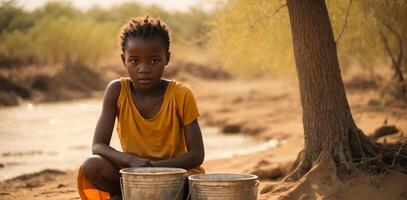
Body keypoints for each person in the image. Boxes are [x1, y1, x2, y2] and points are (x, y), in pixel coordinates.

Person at [77, 15, 205, 200]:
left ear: (166, 58)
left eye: (153, 61)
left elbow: (196, 155)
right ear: (124, 60)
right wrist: (130, 161)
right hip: (132, 172)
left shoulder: (181, 94)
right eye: (134, 61)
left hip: (175, 175)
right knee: (92, 166)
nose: (143, 69)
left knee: (191, 186)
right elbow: (98, 145)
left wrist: (154, 170)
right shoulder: (116, 91)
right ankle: (125, 194)